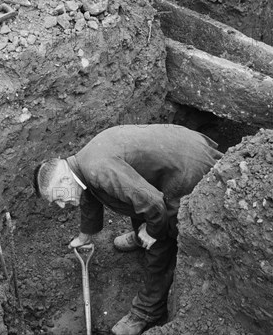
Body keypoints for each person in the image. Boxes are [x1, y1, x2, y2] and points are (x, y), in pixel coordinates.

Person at [33, 124, 221, 335]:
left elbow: (154, 202)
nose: (60, 205)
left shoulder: (99, 169)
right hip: (174, 156)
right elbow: (90, 194)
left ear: (65, 179)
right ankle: (142, 236)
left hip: (187, 169)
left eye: (57, 197)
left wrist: (152, 232)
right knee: (135, 200)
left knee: (162, 238)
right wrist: (85, 235)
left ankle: (146, 311)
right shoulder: (82, 166)